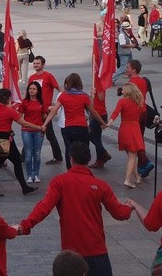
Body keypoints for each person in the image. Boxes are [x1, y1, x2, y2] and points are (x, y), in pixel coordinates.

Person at [18, 142, 132, 276]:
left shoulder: (59, 182)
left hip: (71, 256)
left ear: (71, 159)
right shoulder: (100, 185)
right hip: (96, 250)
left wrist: (25, 226)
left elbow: (43, 207)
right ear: (89, 159)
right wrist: (129, 207)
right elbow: (120, 214)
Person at [43, 73, 107, 170]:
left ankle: (70, 170)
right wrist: (103, 123)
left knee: (69, 149)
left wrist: (44, 124)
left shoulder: (63, 96)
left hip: (68, 127)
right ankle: (83, 169)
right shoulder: (83, 96)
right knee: (83, 149)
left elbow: (53, 112)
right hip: (82, 127)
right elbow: (93, 112)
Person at [106, 82, 145, 188]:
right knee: (133, 156)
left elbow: (115, 113)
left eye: (123, 89)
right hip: (134, 130)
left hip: (124, 129)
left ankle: (137, 177)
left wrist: (109, 123)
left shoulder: (122, 101)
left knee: (132, 156)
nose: (121, 91)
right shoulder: (139, 102)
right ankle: (127, 180)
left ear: (127, 91)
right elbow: (142, 113)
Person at [28, 56, 65, 165]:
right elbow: (28, 93)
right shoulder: (31, 78)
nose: (35, 65)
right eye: (34, 63)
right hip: (34, 110)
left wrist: (57, 104)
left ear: (43, 65)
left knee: (49, 134)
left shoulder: (48, 76)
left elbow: (59, 90)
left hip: (46, 112)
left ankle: (58, 156)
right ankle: (24, 155)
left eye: (38, 63)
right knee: (30, 131)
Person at [19, 82, 45, 183]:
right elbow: (19, 116)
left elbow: (44, 116)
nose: (32, 90)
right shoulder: (24, 102)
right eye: (30, 89)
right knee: (28, 154)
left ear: (38, 90)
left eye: (34, 89)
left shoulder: (41, 102)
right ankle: (29, 175)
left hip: (38, 130)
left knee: (37, 154)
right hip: (26, 131)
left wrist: (50, 113)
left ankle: (36, 174)